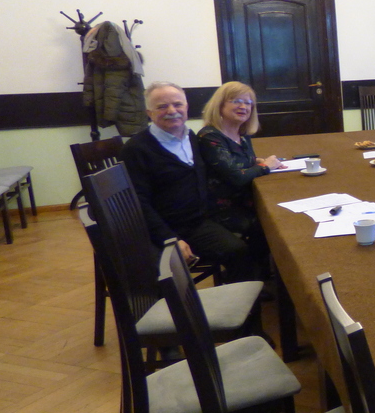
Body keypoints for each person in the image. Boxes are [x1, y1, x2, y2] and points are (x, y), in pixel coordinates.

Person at [121, 81, 254, 281]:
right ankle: (241, 297)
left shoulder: (191, 137)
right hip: (171, 228)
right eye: (162, 106)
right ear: (149, 113)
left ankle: (254, 285)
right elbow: (138, 203)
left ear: (186, 107)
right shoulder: (136, 149)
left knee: (260, 228)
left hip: (202, 218)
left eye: (178, 104)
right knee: (238, 252)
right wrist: (170, 239)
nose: (172, 111)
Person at [198, 82, 285, 275]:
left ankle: (265, 272)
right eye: (236, 101)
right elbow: (236, 177)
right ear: (220, 104)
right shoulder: (209, 136)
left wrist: (256, 162)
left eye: (248, 103)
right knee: (273, 222)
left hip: (244, 200)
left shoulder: (242, 135)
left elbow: (239, 163)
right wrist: (265, 166)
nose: (243, 107)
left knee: (279, 213)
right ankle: (253, 275)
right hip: (223, 209)